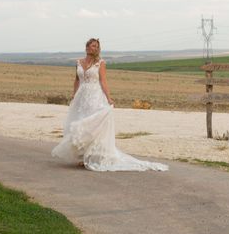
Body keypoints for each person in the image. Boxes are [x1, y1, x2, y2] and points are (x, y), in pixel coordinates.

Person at [52, 38, 168, 172]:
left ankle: (92, 156)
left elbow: (103, 81)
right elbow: (77, 80)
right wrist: (73, 94)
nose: (93, 48)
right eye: (91, 46)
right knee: (80, 122)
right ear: (87, 47)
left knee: (92, 125)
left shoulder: (100, 63)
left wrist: (109, 98)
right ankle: (81, 156)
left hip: (95, 96)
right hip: (81, 97)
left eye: (96, 46)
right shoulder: (78, 62)